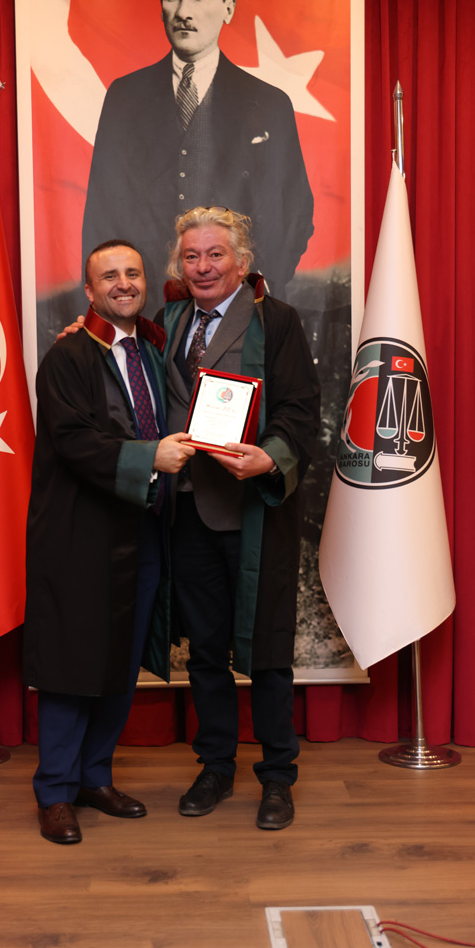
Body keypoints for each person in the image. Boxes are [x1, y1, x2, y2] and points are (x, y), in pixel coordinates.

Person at [24, 241, 194, 844]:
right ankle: (55, 791)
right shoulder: (67, 357)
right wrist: (151, 457)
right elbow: (75, 442)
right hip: (81, 533)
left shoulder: (152, 350)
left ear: (145, 282)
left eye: (133, 273)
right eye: (109, 276)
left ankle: (95, 776)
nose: (123, 283)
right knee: (73, 663)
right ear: (89, 290)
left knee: (121, 662)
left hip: (142, 530)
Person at [159, 206, 320, 829]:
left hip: (254, 513)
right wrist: (82, 331)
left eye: (215, 254)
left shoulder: (275, 321)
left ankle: (277, 776)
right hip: (188, 512)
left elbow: (300, 408)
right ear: (180, 266)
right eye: (191, 257)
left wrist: (270, 457)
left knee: (269, 651)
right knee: (205, 651)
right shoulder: (168, 322)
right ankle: (216, 766)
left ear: (242, 262)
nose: (203, 266)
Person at [81, 0, 314, 315]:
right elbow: (101, 210)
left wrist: (255, 288)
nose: (183, 11)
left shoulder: (269, 104)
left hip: (241, 313)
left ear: (228, 7)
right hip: (146, 313)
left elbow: (296, 211)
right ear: (161, 4)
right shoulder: (124, 97)